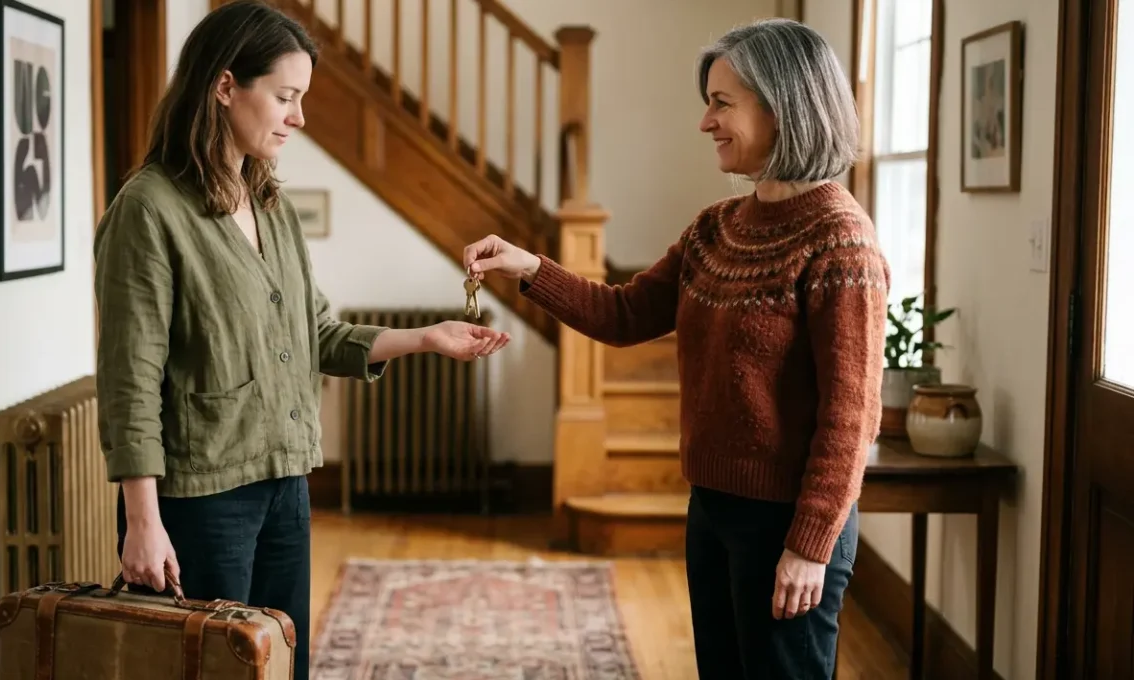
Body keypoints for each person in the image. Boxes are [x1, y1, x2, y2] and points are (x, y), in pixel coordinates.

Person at [92, 2, 510, 677]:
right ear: (226, 87)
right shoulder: (148, 210)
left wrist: (427, 339)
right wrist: (143, 520)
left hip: (285, 484)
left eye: (302, 99)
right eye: (285, 96)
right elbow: (129, 382)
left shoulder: (270, 204)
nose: (299, 117)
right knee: (212, 669)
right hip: (203, 499)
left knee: (282, 663)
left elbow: (317, 333)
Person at [463, 18, 885, 680]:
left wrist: (808, 546)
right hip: (712, 508)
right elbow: (625, 313)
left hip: (788, 525)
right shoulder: (716, 227)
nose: (705, 122)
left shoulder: (840, 240)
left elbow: (850, 415)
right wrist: (527, 267)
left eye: (722, 103)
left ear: (784, 107)